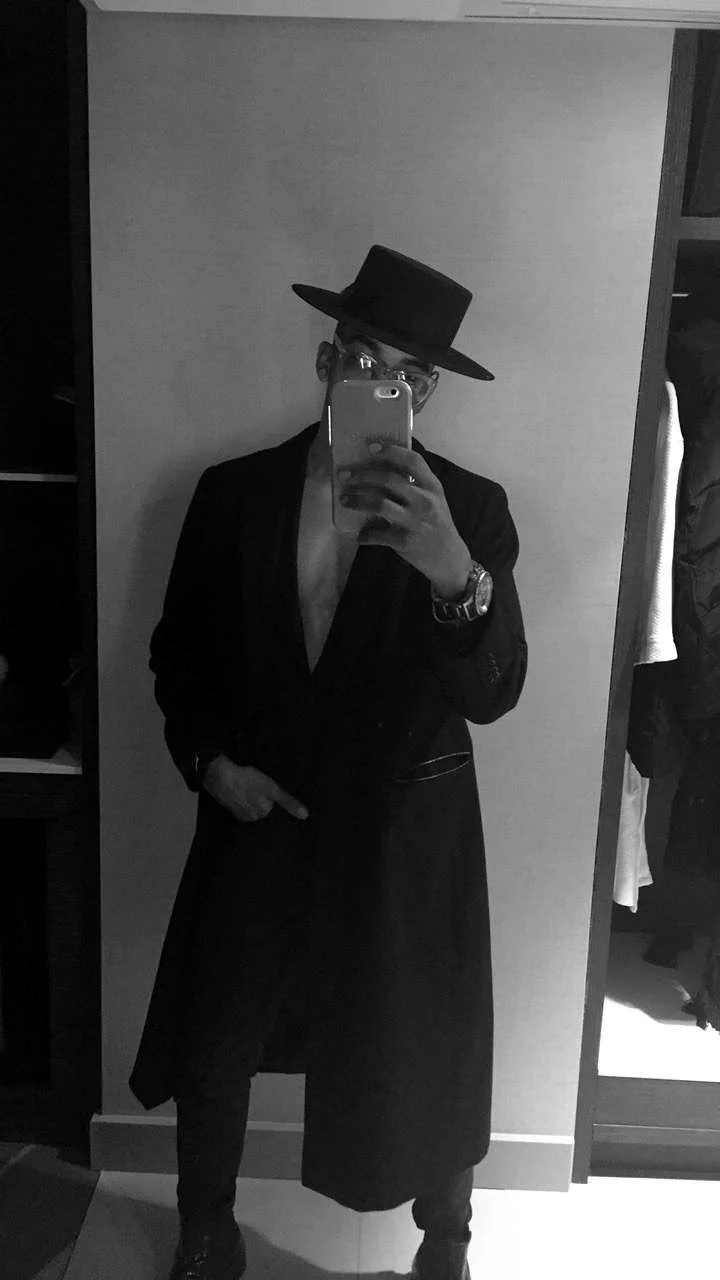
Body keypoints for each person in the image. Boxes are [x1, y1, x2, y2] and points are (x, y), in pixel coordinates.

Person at [128, 245, 528, 1280]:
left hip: (401, 835)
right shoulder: (233, 495)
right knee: (218, 1032)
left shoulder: (471, 511)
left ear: (427, 393)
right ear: (325, 359)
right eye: (360, 358)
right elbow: (179, 653)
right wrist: (209, 762)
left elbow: (494, 691)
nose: (378, 385)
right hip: (262, 810)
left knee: (424, 1039)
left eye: (406, 374)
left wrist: (454, 572)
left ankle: (446, 1240)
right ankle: (206, 1229)